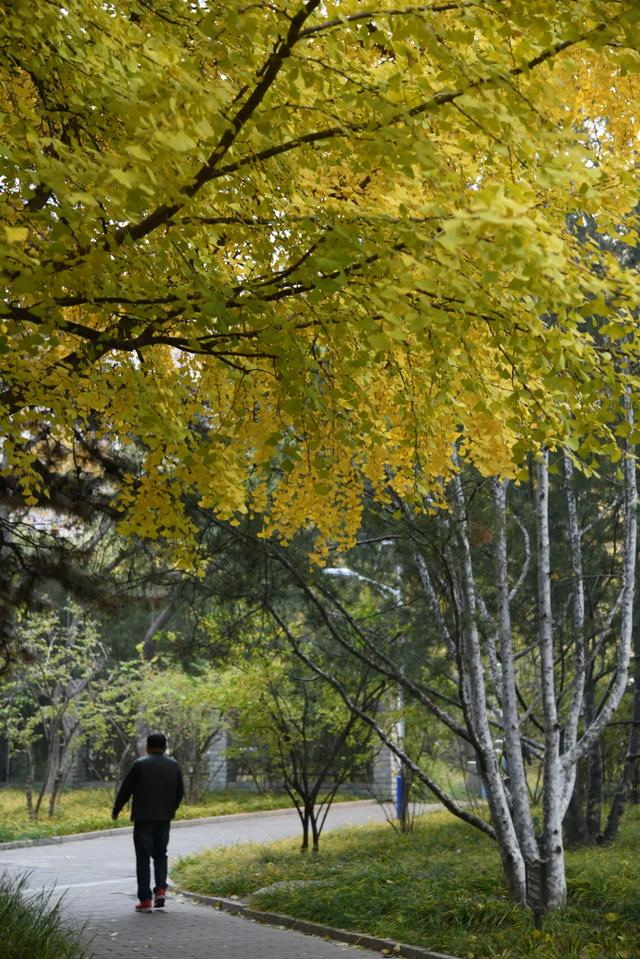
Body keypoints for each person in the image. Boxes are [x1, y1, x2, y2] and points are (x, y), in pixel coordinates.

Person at [112, 732, 184, 912]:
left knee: (143, 858)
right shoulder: (174, 765)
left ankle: (145, 901)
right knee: (161, 854)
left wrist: (117, 809)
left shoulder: (140, 765)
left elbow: (126, 789)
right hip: (164, 818)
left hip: (143, 819)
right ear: (165, 747)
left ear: (148, 746)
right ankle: (160, 889)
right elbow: (180, 791)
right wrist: (171, 809)